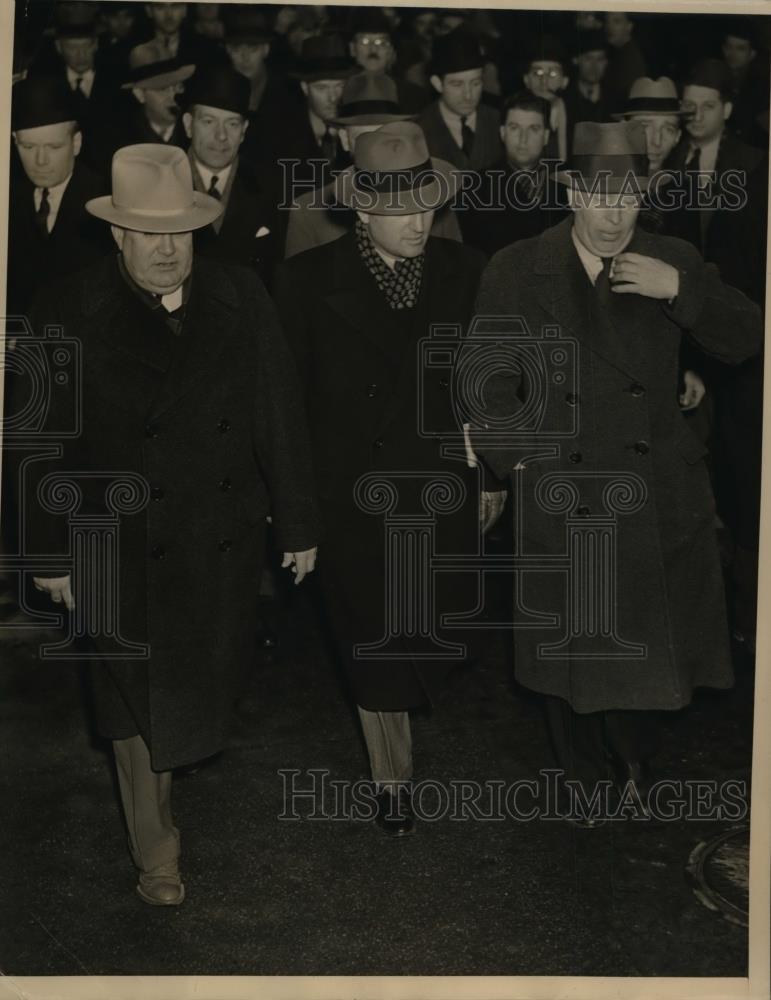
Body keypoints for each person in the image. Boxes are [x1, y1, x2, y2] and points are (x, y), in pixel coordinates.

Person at [29, 143, 319, 905]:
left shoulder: (240, 297)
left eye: (180, 233)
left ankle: (172, 770)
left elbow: (277, 414)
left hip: (214, 532)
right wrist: (47, 553)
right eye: (148, 234)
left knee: (198, 685)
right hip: (111, 540)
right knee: (132, 698)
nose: (166, 250)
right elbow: (37, 444)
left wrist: (297, 523)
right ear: (117, 235)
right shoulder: (67, 308)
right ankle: (156, 851)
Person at [469, 120, 761, 823]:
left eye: (627, 196)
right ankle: (582, 770)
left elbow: (746, 336)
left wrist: (679, 293)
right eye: (597, 195)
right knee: (569, 650)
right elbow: (484, 381)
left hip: (652, 486)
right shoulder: (517, 267)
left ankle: (631, 755)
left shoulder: (671, 257)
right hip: (561, 486)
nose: (612, 214)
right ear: (569, 191)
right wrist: (518, 464)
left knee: (638, 640)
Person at [275, 122, 488, 836]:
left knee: (428, 632)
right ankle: (389, 779)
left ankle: (397, 742)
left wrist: (487, 471)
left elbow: (486, 385)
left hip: (437, 487)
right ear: (361, 209)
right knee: (375, 643)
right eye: (398, 210)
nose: (416, 222)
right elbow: (286, 407)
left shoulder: (465, 271)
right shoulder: (305, 283)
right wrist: (297, 512)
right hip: (353, 498)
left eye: (425, 204)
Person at [283, 72, 461, 258]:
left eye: (388, 135)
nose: (380, 148)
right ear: (344, 139)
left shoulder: (435, 200)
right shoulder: (309, 212)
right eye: (367, 138)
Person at [8, 75, 110, 318]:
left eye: (53, 147)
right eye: (28, 147)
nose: (40, 161)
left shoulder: (105, 204)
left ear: (76, 143)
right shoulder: (9, 197)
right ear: (14, 142)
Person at [182, 63, 281, 288]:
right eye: (208, 122)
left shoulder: (270, 187)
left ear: (244, 131)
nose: (221, 136)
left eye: (232, 123)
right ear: (188, 125)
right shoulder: (162, 186)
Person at [457, 90, 568, 257]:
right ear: (502, 133)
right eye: (514, 128)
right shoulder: (474, 188)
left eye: (533, 129)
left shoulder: (568, 184)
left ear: (545, 136)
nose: (523, 139)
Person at [274, 33, 356, 188]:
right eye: (322, 88)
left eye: (339, 86)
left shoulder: (357, 132)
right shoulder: (282, 137)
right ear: (305, 88)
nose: (332, 97)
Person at [418, 26, 501, 171]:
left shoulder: (500, 121)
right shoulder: (418, 130)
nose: (468, 95)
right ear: (437, 84)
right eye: (457, 84)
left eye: (475, 83)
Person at [346, 7, 430, 114]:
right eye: (365, 42)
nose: (373, 49)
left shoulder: (413, 95)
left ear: (391, 51)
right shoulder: (338, 92)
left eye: (381, 43)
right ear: (352, 49)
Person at [521, 36, 569, 163]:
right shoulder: (514, 115)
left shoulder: (574, 114)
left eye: (552, 74)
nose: (544, 81)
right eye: (537, 73)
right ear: (526, 80)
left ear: (564, 81)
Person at [563, 30, 611, 155]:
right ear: (576, 60)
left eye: (600, 59)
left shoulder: (615, 100)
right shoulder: (564, 100)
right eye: (588, 58)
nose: (594, 66)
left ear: (606, 63)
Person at [603, 12, 647, 116]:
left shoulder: (631, 58)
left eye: (616, 22)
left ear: (629, 26)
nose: (610, 27)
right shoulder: (616, 53)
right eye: (607, 22)